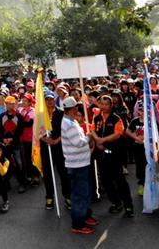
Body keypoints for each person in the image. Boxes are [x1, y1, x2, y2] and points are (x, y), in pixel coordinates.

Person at [92, 95, 133, 217]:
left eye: (106, 104)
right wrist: (97, 139)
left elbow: (118, 134)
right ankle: (116, 202)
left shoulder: (116, 119)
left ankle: (128, 206)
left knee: (120, 180)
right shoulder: (97, 117)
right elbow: (92, 130)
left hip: (114, 154)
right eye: (101, 104)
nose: (104, 106)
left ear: (111, 105)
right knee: (105, 180)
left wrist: (102, 140)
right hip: (101, 154)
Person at [61, 97, 97, 235]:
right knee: (79, 194)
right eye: (76, 107)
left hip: (82, 162)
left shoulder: (72, 121)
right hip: (76, 165)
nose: (78, 109)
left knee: (85, 192)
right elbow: (79, 142)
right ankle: (78, 223)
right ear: (72, 109)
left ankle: (85, 216)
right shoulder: (68, 124)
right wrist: (90, 137)